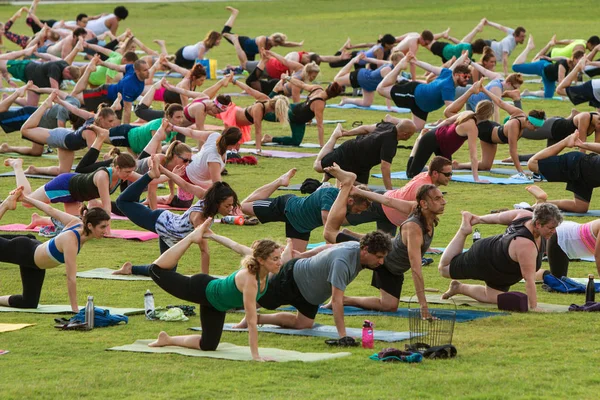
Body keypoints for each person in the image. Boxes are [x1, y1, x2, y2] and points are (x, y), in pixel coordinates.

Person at [146, 218, 283, 361]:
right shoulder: (250, 281)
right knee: (155, 271)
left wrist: (212, 235)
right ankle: (190, 238)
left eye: (279, 258)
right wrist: (256, 356)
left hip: (216, 305)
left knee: (208, 345)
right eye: (275, 259)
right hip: (201, 289)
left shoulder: (261, 264)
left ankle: (166, 340)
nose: (279, 262)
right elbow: (251, 321)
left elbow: (234, 245)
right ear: (261, 260)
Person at [325, 164, 445, 316]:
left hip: (393, 266)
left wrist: (359, 190)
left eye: (442, 197)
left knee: (389, 306)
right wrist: (423, 307)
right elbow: (416, 269)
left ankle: (345, 299)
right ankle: (345, 186)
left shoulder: (420, 211)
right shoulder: (414, 227)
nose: (443, 202)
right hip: (381, 257)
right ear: (424, 204)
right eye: (437, 198)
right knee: (329, 233)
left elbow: (388, 201)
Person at [115, 156, 239, 275]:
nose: (230, 209)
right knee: (122, 202)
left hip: (171, 236)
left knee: (166, 272)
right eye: (227, 206)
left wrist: (163, 170)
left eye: (231, 205)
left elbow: (184, 184)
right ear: (217, 203)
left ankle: (130, 269)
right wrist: (204, 279)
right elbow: (204, 251)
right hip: (160, 221)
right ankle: (150, 175)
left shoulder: (207, 197)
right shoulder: (200, 219)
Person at [0, 186, 110, 312]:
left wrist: (25, 198)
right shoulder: (71, 240)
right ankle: (5, 205)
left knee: (28, 302)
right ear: (90, 225)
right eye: (102, 227)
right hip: (24, 252)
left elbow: (50, 210)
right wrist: (75, 309)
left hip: (35, 261)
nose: (106, 231)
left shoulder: (77, 223)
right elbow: (71, 278)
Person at [438, 205, 563, 311]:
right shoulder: (525, 244)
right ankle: (463, 231)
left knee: (490, 297)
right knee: (444, 269)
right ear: (537, 224)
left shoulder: (526, 217)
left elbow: (498, 218)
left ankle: (458, 287)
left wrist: (478, 219)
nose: (553, 231)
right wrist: (534, 306)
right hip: (484, 257)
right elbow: (529, 279)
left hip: (502, 271)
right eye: (551, 228)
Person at [239, 168, 370, 252]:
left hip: (301, 227)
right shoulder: (329, 196)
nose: (359, 213)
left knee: (294, 258)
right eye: (359, 209)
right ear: (351, 201)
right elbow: (329, 233)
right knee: (244, 207)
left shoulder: (344, 204)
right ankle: (280, 181)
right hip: (287, 207)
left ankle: (261, 249)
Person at [4, 150, 137, 217]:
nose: (130, 175)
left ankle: (38, 220)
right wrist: (108, 232)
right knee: (27, 201)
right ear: (117, 168)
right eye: (127, 172)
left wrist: (154, 170)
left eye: (131, 172)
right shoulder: (104, 176)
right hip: (64, 185)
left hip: (76, 193)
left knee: (75, 224)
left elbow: (148, 179)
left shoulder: (124, 173)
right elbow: (107, 208)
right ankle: (17, 166)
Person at [345, 156, 453, 237]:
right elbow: (421, 217)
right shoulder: (423, 189)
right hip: (381, 206)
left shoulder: (426, 177)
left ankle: (348, 234)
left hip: (391, 214)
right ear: (435, 173)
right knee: (341, 220)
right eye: (447, 174)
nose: (450, 177)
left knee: (385, 245)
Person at [451, 84, 545, 176]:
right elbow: (513, 151)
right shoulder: (514, 125)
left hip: (493, 129)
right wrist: (520, 172)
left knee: (485, 166)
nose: (535, 130)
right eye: (535, 128)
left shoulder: (520, 114)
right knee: (485, 166)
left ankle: (458, 165)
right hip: (486, 132)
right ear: (529, 122)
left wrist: (484, 90)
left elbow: (500, 102)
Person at [405, 82, 490, 182]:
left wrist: (434, 129)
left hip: (443, 148)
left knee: (447, 175)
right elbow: (473, 155)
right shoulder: (472, 127)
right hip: (432, 140)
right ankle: (417, 142)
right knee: (411, 174)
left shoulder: (468, 113)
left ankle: (426, 168)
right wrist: (476, 179)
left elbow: (447, 120)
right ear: (487, 116)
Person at [18, 91, 118, 176]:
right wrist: (107, 161)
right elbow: (92, 158)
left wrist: (60, 101)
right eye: (110, 121)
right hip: (60, 137)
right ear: (101, 119)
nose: (112, 124)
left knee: (63, 172)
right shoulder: (90, 132)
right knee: (25, 130)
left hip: (68, 142)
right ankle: (45, 105)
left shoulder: (93, 117)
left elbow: (74, 109)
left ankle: (33, 170)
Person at [377, 51, 471, 131]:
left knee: (417, 128)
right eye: (464, 77)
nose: (467, 79)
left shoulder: (449, 73)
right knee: (381, 89)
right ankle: (399, 66)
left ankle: (390, 119)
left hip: (422, 106)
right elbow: (450, 111)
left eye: (468, 77)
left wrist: (416, 61)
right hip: (413, 94)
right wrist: (466, 120)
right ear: (456, 75)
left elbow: (431, 68)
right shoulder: (448, 88)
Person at [313, 120, 415, 190]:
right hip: (349, 152)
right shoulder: (390, 144)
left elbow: (366, 128)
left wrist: (347, 133)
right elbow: (385, 168)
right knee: (317, 166)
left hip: (363, 165)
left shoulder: (388, 125)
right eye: (411, 135)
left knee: (363, 189)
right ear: (405, 134)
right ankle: (334, 136)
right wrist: (389, 191)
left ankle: (329, 179)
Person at [526, 132, 600, 213]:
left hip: (587, 180)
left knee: (580, 208)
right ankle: (565, 142)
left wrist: (582, 144)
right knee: (532, 164)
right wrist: (582, 144)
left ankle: (542, 204)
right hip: (576, 164)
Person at [262, 76, 343, 147]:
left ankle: (269, 138)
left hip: (299, 117)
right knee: (264, 114)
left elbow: (301, 84)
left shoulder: (318, 88)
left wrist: (288, 78)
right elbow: (320, 126)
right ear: (333, 96)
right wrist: (322, 145)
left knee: (295, 142)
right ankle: (273, 93)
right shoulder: (319, 103)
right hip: (292, 114)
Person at [71, 55, 151, 123]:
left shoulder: (131, 69)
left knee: (114, 128)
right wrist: (126, 130)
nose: (148, 72)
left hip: (117, 102)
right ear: (137, 71)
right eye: (145, 70)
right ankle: (89, 69)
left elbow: (117, 67)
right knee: (75, 96)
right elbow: (127, 110)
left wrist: (102, 63)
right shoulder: (130, 84)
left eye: (148, 69)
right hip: (104, 94)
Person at [0, 49, 81, 106]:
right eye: (69, 78)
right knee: (2, 62)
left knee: (31, 105)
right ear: (67, 71)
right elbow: (55, 92)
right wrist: (68, 104)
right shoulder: (55, 69)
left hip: (35, 83)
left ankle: (7, 98)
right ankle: (24, 51)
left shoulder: (64, 64)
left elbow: (49, 57)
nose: (68, 80)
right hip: (24, 68)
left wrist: (39, 54)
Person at [220, 6, 303, 62]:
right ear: (273, 39)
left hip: (250, 52)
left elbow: (286, 44)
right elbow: (262, 55)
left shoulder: (273, 42)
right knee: (224, 33)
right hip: (243, 42)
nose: (276, 46)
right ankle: (234, 13)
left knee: (249, 69)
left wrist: (298, 44)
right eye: (276, 44)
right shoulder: (262, 39)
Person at [169, 126, 242, 189]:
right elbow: (217, 185)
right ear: (235, 144)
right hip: (187, 176)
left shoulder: (215, 136)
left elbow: (191, 132)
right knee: (182, 203)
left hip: (195, 172)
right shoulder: (214, 157)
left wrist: (173, 127)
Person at [512, 35, 584, 99]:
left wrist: (551, 59)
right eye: (580, 60)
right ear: (574, 59)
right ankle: (529, 47)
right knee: (515, 67)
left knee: (548, 95)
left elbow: (562, 57)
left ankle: (528, 93)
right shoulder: (563, 65)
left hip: (549, 78)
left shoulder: (571, 63)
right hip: (542, 67)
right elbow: (561, 82)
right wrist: (564, 97)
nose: (581, 62)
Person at [334, 52, 403, 108]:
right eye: (401, 61)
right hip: (362, 77)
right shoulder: (388, 70)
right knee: (337, 80)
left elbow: (377, 61)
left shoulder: (392, 66)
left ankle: (346, 100)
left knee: (366, 103)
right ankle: (352, 61)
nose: (404, 63)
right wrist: (389, 107)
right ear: (394, 62)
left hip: (370, 85)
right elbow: (387, 88)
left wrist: (366, 59)